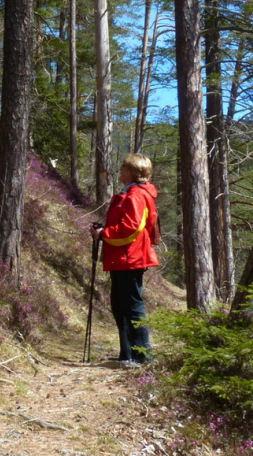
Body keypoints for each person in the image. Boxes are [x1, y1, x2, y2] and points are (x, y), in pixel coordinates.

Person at [90, 153, 159, 367]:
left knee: (131, 307)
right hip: (125, 257)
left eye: (124, 167)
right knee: (121, 306)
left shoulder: (136, 195)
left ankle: (140, 357)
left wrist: (104, 233)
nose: (120, 170)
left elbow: (132, 229)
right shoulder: (132, 193)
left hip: (130, 257)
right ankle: (128, 355)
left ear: (133, 171)